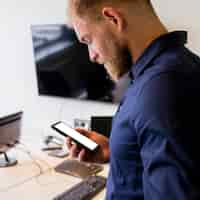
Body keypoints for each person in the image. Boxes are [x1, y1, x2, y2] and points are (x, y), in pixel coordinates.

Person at [66, 0, 200, 199]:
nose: (92, 56)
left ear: (113, 19)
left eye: (88, 40)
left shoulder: (160, 88)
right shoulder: (178, 66)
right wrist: (116, 151)